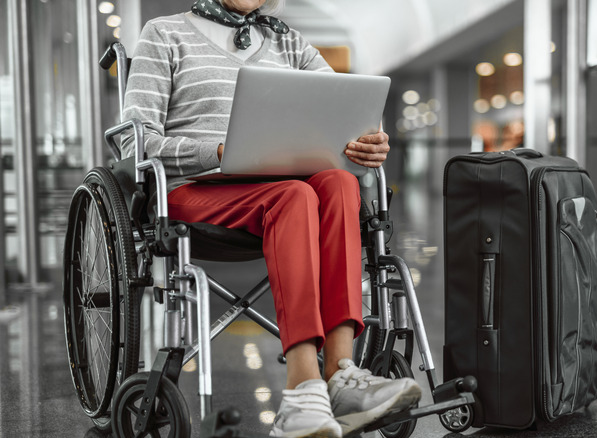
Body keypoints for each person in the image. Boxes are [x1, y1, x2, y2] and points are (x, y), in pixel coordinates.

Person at [122, 0, 421, 436]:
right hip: (193, 191)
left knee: (339, 186)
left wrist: (366, 143)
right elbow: (136, 143)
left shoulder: (290, 42)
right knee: (296, 195)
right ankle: (302, 388)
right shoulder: (164, 34)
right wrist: (218, 152)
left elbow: (347, 115)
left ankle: (341, 374)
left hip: (281, 189)